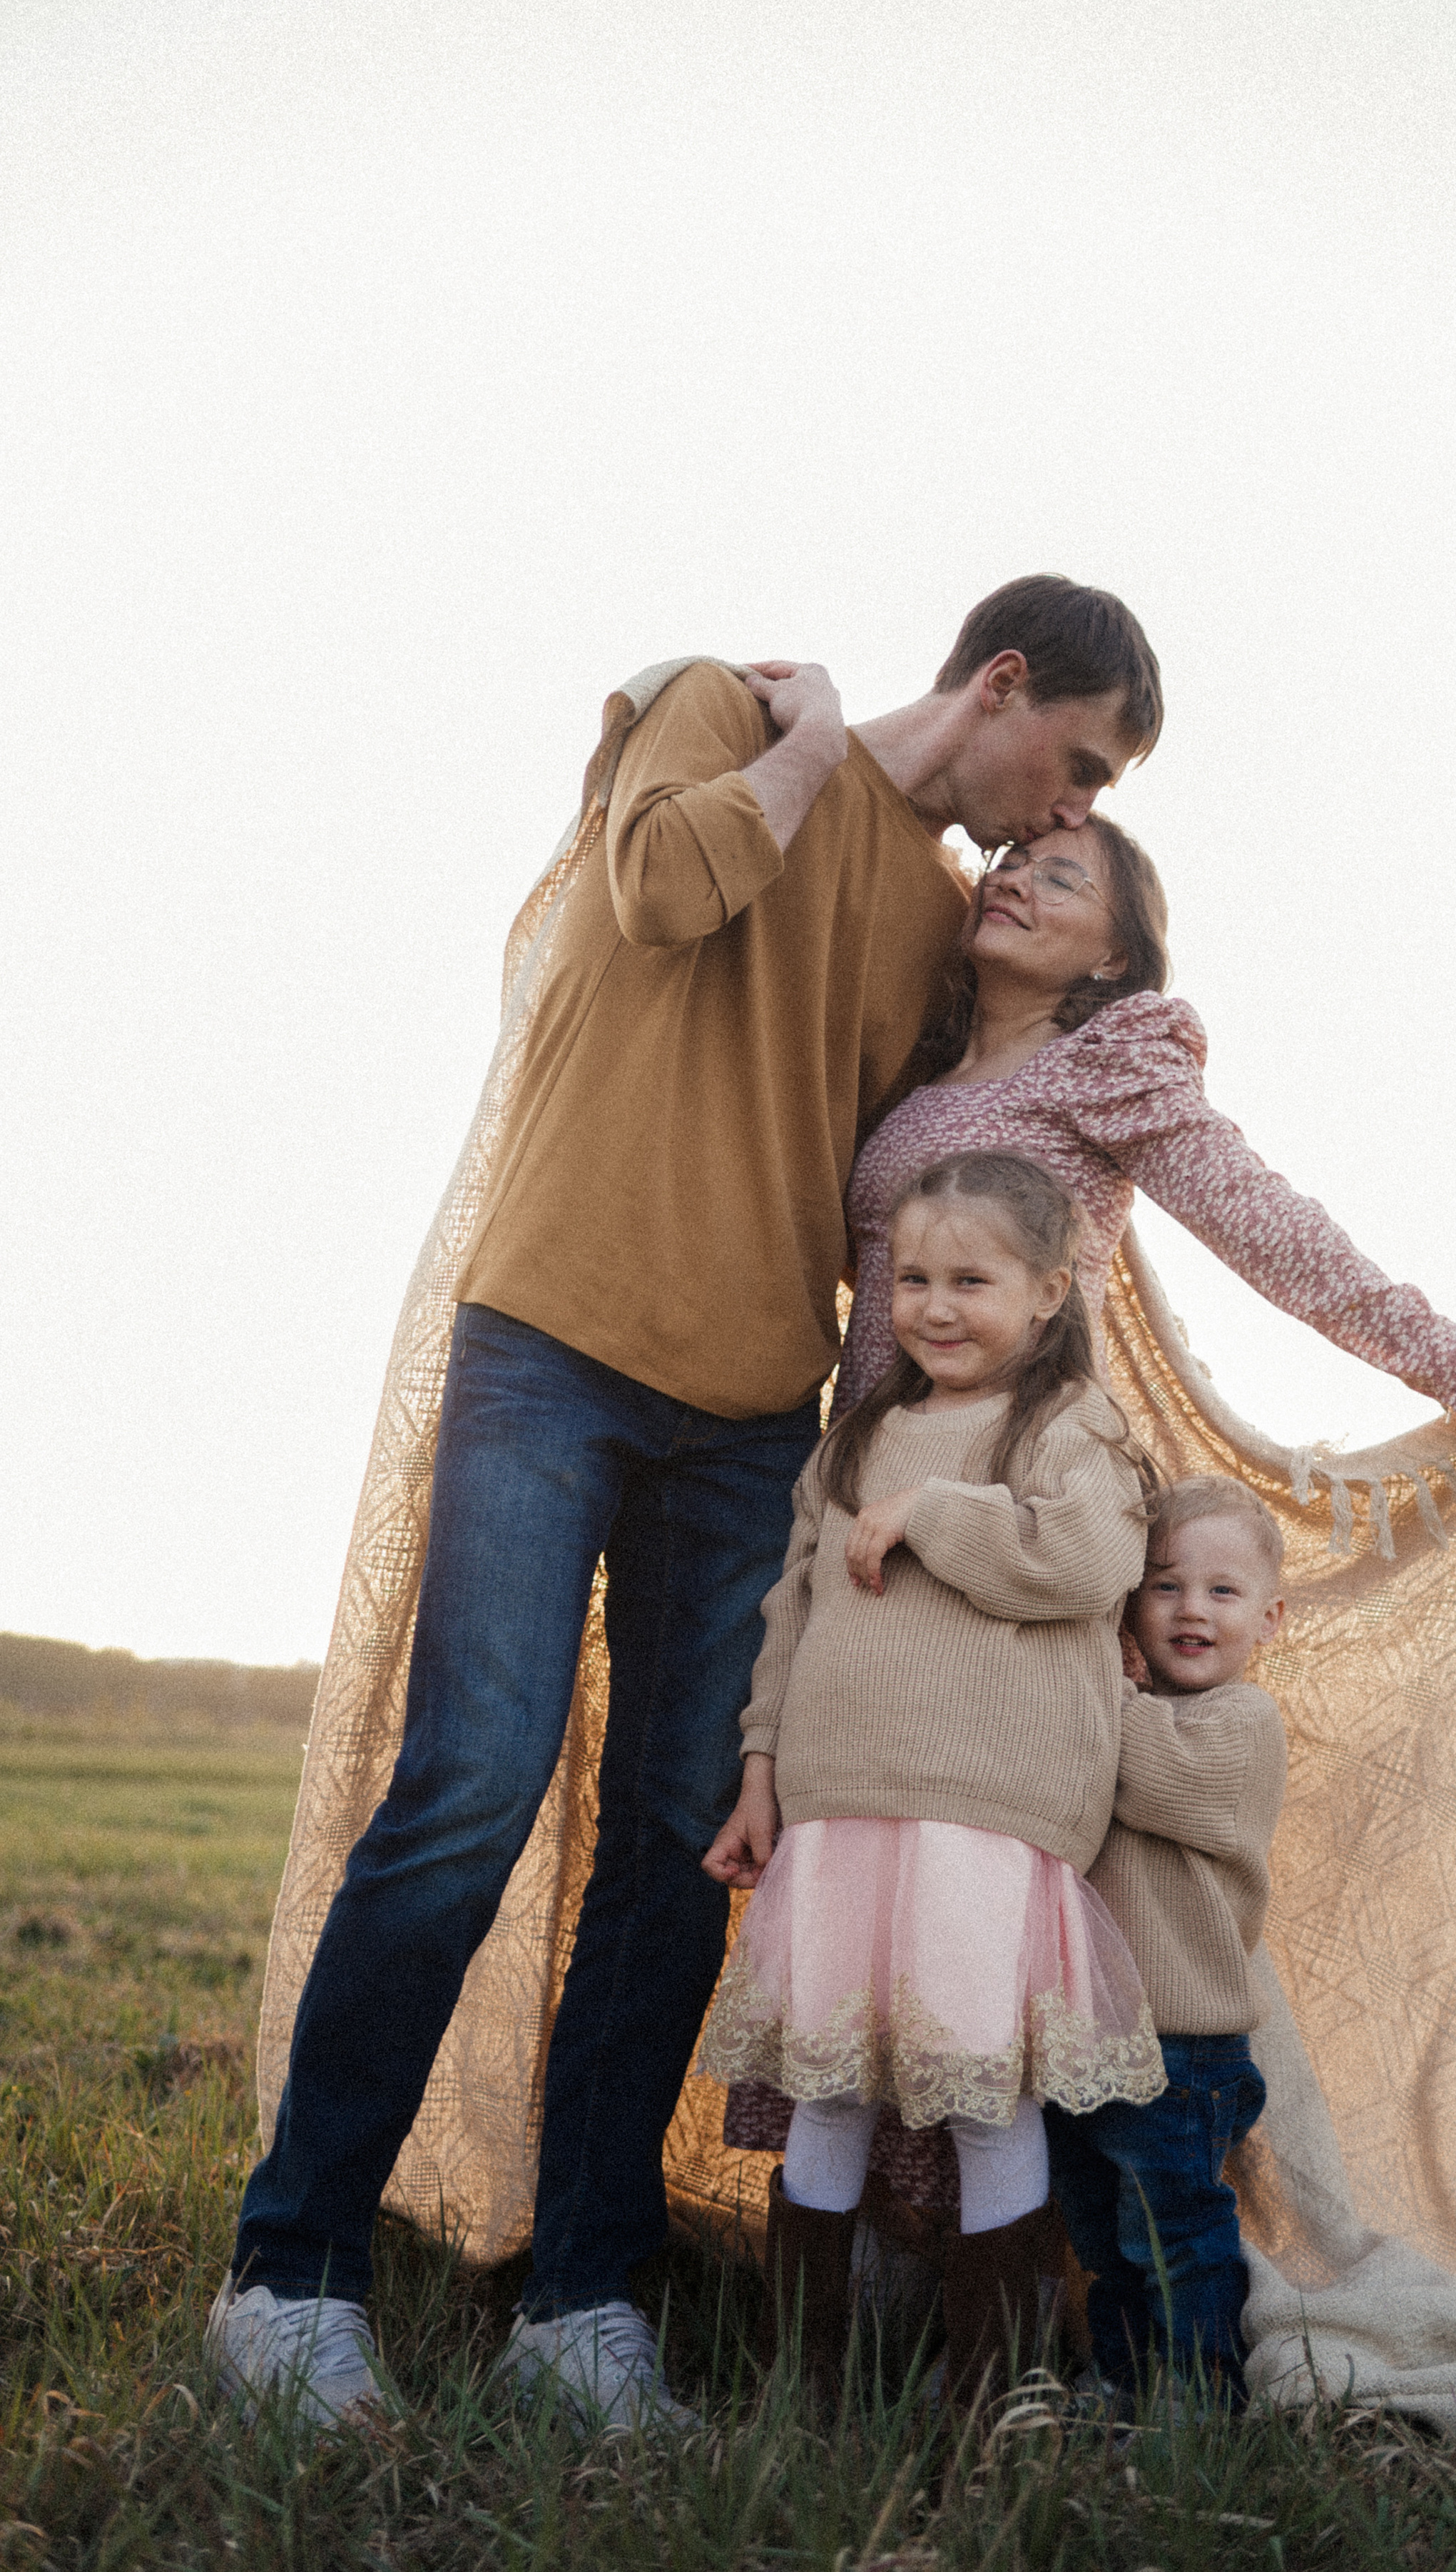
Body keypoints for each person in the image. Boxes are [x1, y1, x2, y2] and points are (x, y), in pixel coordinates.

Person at [207, 576, 1166, 2432]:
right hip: (552, 1342)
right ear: (1004, 682)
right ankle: (289, 2273)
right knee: (469, 1783)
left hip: (746, 1417)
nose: (1071, 810)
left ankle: (583, 2301)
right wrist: (809, 746)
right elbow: (657, 890)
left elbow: (941, 1172)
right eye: (1083, 763)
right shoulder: (726, 712)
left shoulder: (945, 926)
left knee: (672, 1843)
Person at [724, 809, 1456, 2205]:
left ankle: (994, 2268)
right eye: (1011, 859)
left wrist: (1441, 1352)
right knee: (871, 1887)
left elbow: (1264, 1222)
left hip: (1008, 1498)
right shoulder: (921, 1062)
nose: (1012, 878)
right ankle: (876, 2262)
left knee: (967, 1901)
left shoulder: (1109, 1064)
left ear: (1114, 954)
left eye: (1059, 876)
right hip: (872, 1464)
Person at [696, 1150, 1169, 2407]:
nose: (936, 1305)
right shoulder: (857, 1436)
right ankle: (805, 2382)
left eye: (972, 1279)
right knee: (830, 2089)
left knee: (983, 2094)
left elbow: (1088, 1561)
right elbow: (791, 1610)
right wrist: (761, 1767)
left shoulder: (1072, 1426)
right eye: (912, 1278)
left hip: (983, 1820)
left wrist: (933, 1513)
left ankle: (993, 2391)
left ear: (1052, 1290)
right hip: (838, 1811)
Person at [1045, 1473, 1289, 2411]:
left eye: (1222, 1591)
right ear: (1130, 1603)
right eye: (1165, 1585)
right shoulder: (1123, 1706)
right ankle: (1123, 2379)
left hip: (1181, 2047)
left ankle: (1201, 2398)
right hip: (1086, 2034)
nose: (1192, 1609)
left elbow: (1150, 1777)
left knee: (1175, 2235)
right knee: (1103, 2239)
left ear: (1269, 1618)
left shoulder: (1242, 1720)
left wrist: (1093, 1670)